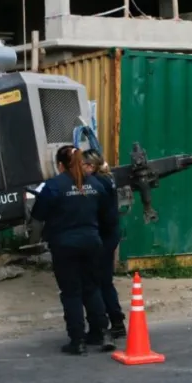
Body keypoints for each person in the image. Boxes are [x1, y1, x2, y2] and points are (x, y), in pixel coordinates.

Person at [30, 145, 115, 355]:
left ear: (60, 165)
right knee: (92, 288)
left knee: (71, 293)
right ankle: (101, 333)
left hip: (64, 246)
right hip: (92, 243)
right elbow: (107, 215)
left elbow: (38, 216)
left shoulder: (53, 186)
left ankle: (77, 340)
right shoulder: (96, 184)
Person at [82, 149, 126, 340]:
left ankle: (104, 324)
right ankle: (115, 322)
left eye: (82, 165)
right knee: (104, 281)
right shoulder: (107, 178)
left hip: (103, 238)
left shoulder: (97, 183)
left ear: (90, 166)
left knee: (98, 282)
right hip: (110, 235)